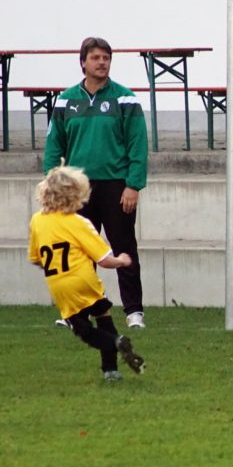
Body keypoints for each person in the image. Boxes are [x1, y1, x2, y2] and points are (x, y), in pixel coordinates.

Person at [43, 37, 149, 329]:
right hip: (78, 190)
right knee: (77, 251)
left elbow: (138, 145)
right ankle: (76, 311)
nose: (102, 62)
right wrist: (54, 186)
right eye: (96, 58)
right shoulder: (65, 101)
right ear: (83, 63)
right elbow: (54, 146)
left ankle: (134, 312)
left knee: (123, 246)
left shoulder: (126, 99)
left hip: (117, 187)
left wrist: (133, 185)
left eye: (106, 58)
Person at [28, 166, 146, 382]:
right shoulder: (78, 222)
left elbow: (36, 257)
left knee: (83, 329)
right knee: (103, 317)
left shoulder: (37, 221)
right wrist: (120, 260)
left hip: (60, 286)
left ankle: (113, 356)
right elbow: (103, 259)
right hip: (84, 281)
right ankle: (112, 357)